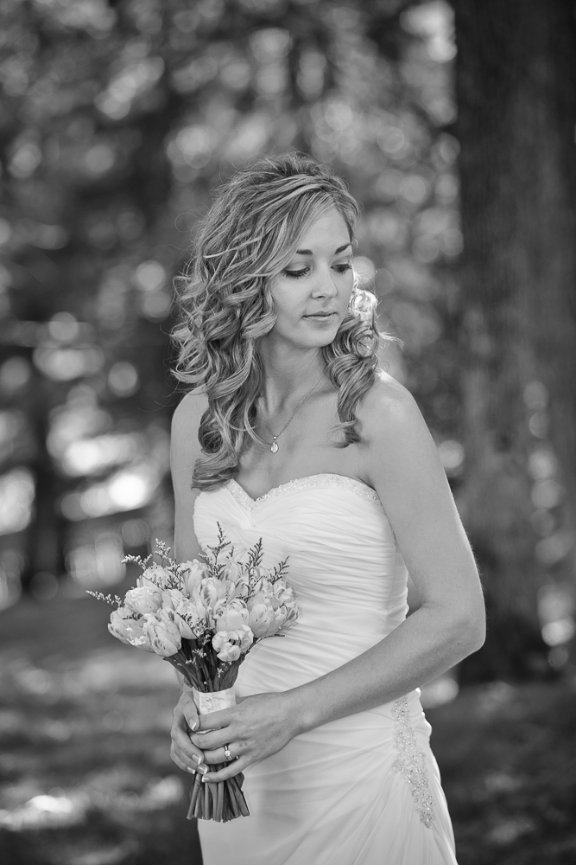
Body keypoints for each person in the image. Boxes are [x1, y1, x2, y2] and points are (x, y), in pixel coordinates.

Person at [168, 153, 485, 865]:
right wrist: (192, 700)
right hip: (242, 788)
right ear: (244, 280)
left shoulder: (381, 415)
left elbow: (460, 617)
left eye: (341, 263)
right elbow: (194, 609)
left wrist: (294, 711)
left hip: (362, 780)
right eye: (297, 268)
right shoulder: (197, 422)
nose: (329, 289)